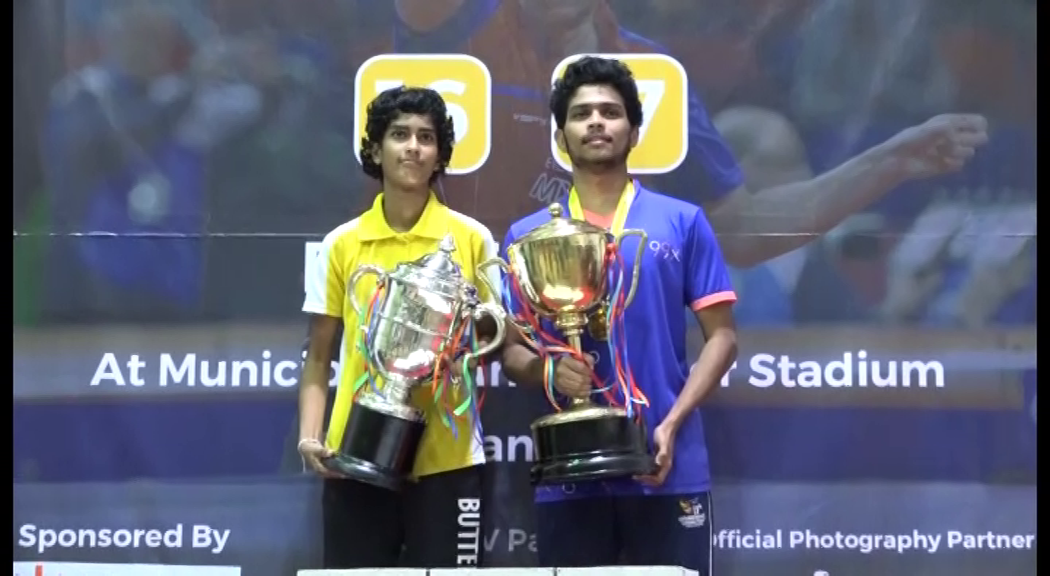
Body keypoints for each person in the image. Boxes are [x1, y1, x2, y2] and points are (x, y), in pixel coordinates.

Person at [372, 0, 989, 268]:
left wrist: (888, 163)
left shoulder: (649, 75)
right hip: (459, 354)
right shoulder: (454, 29)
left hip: (590, 372)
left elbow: (740, 230)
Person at [499, 56, 738, 574]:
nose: (596, 122)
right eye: (581, 113)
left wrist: (672, 423)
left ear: (634, 132)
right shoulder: (528, 237)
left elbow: (722, 338)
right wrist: (547, 371)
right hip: (570, 470)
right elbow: (511, 350)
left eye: (610, 112)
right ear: (560, 137)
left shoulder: (682, 221)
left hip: (665, 462)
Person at [298, 86, 500, 569]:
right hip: (357, 454)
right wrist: (310, 436)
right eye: (400, 135)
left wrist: (473, 338)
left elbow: (496, 336)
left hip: (447, 462)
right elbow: (319, 357)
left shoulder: (472, 239)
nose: (413, 147)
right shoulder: (341, 244)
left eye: (426, 138)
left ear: (440, 155)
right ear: (375, 150)